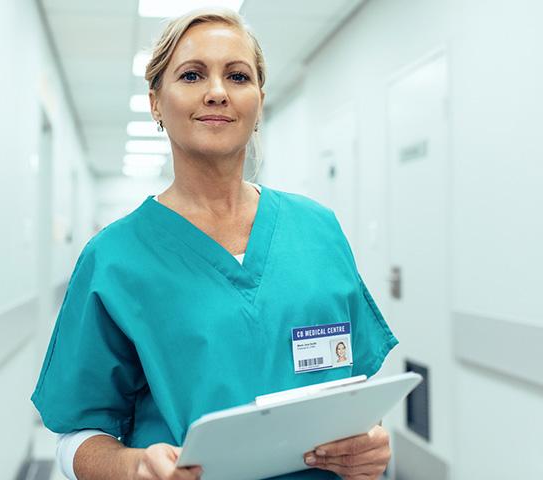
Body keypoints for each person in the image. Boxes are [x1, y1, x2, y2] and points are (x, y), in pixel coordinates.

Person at [31, 7, 398, 480]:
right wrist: (135, 466)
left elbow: (354, 394)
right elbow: (75, 438)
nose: (218, 92)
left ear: (259, 101)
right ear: (156, 102)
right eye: (192, 74)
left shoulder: (318, 230)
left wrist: (368, 445)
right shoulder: (114, 258)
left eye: (238, 76)